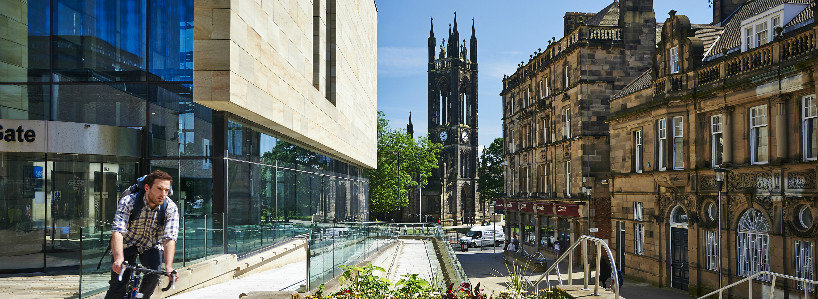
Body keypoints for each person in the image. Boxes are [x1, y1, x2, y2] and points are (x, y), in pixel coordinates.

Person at [104, 170, 179, 299]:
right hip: (127, 243)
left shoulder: (170, 208)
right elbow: (118, 231)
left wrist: (169, 267)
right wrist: (118, 259)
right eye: (159, 189)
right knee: (119, 285)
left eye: (166, 190)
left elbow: (169, 238)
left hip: (151, 244)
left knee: (153, 276)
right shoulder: (129, 201)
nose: (163, 194)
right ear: (147, 187)